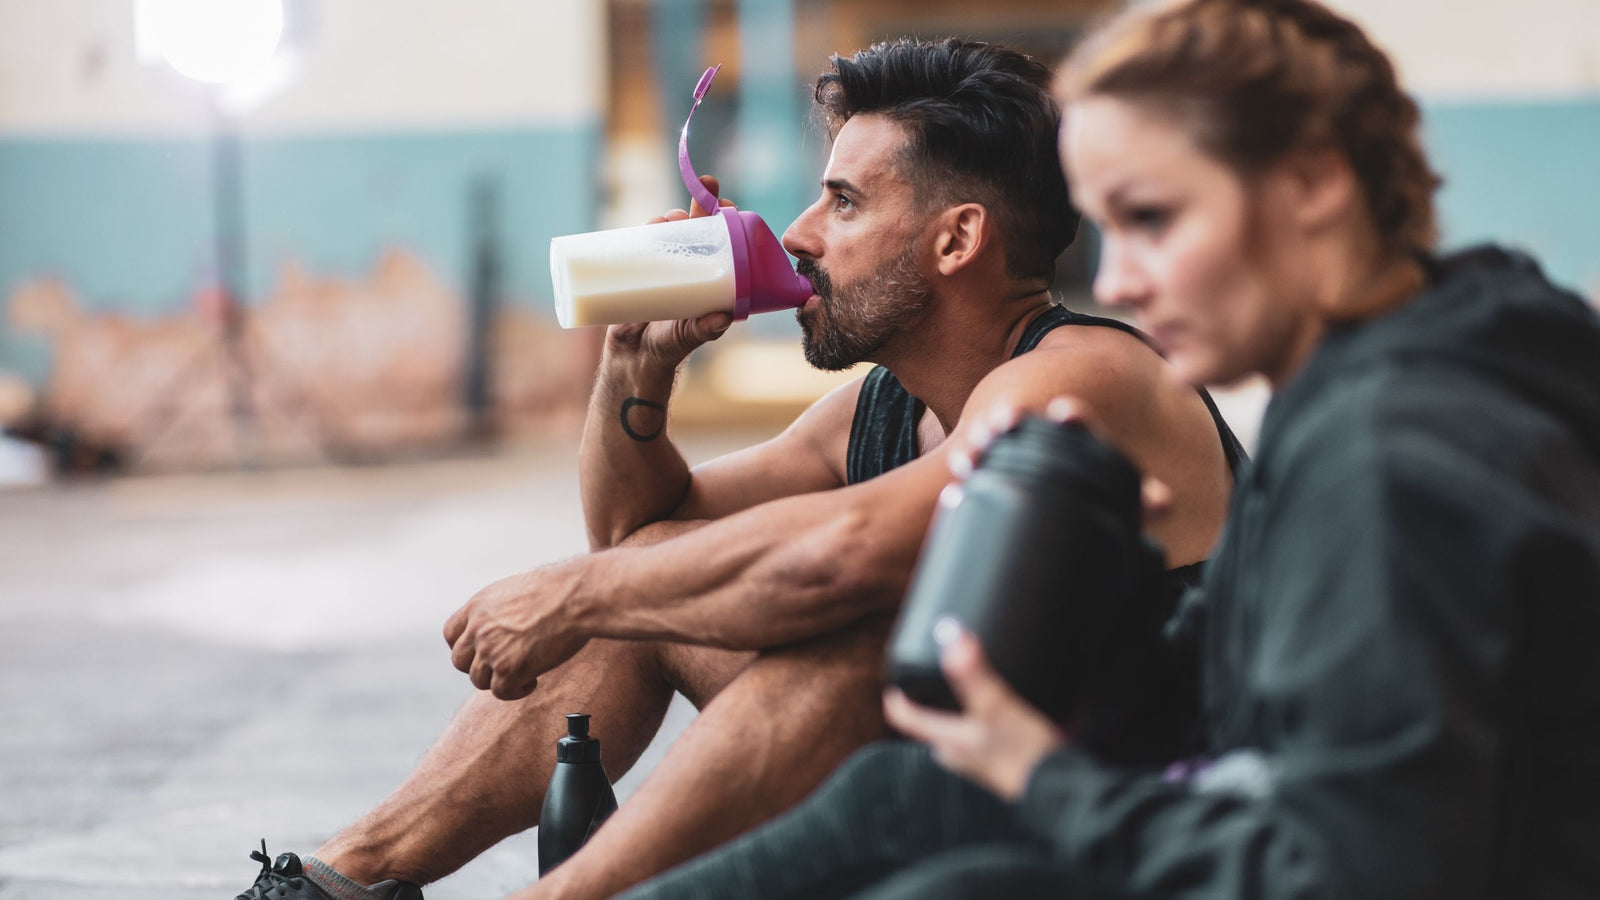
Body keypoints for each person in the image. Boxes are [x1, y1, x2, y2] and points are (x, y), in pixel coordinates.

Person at [615, 1, 1600, 898]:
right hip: (1245, 820)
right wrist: (1108, 582)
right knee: (905, 795)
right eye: (1108, 233)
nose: (1119, 283)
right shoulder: (1367, 376)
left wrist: (1043, 777)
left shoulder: (1395, 451)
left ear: (1311, 186)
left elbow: (1357, 870)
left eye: (1153, 221)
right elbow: (1238, 694)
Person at [233, 38, 1244, 900]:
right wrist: (639, 362)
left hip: (1134, 818)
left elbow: (842, 558)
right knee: (656, 583)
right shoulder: (880, 407)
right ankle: (348, 876)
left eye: (843, 203)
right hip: (963, 780)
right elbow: (643, 537)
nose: (800, 234)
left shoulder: (1086, 378)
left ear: (957, 240)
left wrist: (573, 592)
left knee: (838, 632)